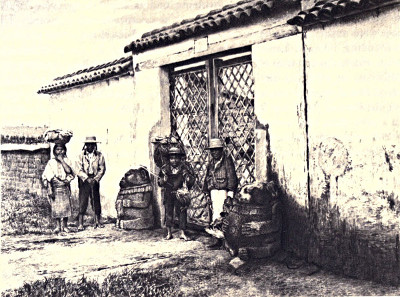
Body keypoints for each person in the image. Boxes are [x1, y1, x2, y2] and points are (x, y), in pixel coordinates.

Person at [203, 138, 238, 248]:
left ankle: (226, 242)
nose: (214, 152)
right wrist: (207, 194)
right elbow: (207, 179)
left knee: (225, 215)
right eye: (212, 151)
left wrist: (230, 195)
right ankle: (217, 240)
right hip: (214, 192)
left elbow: (232, 179)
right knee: (215, 215)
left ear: (221, 150)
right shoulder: (211, 164)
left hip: (223, 192)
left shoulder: (227, 161)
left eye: (217, 150)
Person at [158, 147, 195, 241]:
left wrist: (187, 179)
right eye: (172, 158)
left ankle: (182, 232)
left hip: (180, 194)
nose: (174, 160)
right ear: (169, 159)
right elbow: (159, 182)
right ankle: (169, 232)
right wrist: (164, 180)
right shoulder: (164, 169)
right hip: (169, 193)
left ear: (180, 158)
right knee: (168, 212)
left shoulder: (184, 168)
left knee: (182, 212)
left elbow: (191, 180)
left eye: (176, 158)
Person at [42, 142, 75, 234]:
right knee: (56, 206)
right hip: (55, 186)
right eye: (57, 149)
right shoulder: (51, 162)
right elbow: (47, 175)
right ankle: (57, 226)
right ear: (54, 151)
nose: (60, 151)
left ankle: (65, 226)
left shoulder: (67, 161)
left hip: (64, 186)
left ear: (65, 151)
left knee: (66, 206)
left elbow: (70, 172)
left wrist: (62, 161)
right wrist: (49, 187)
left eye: (62, 149)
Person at [76, 136, 106, 230]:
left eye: (92, 144)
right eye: (88, 144)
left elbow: (102, 169)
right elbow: (78, 169)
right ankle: (80, 223)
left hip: (94, 179)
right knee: (83, 200)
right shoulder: (81, 156)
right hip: (84, 180)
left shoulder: (99, 155)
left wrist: (96, 179)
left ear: (95, 145)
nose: (90, 146)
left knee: (95, 199)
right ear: (85, 145)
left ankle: (97, 221)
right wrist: (86, 178)